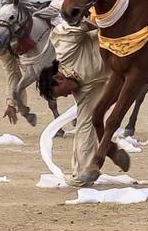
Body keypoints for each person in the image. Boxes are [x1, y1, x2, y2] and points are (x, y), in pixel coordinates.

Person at [37, 21, 110, 187]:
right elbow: (85, 128)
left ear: (58, 78)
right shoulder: (82, 91)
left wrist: (104, 25)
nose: (67, 95)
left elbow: (76, 23)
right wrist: (81, 175)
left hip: (119, 35)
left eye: (62, 92)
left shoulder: (65, 50)